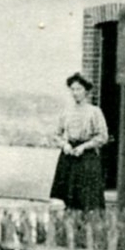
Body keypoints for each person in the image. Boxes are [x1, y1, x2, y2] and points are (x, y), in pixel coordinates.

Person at [50, 72, 109, 211]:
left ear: (86, 91)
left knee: (87, 200)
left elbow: (102, 136)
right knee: (68, 201)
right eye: (73, 89)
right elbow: (56, 135)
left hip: (86, 159)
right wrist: (64, 144)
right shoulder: (67, 112)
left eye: (79, 89)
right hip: (69, 158)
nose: (75, 93)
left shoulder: (94, 112)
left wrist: (84, 147)